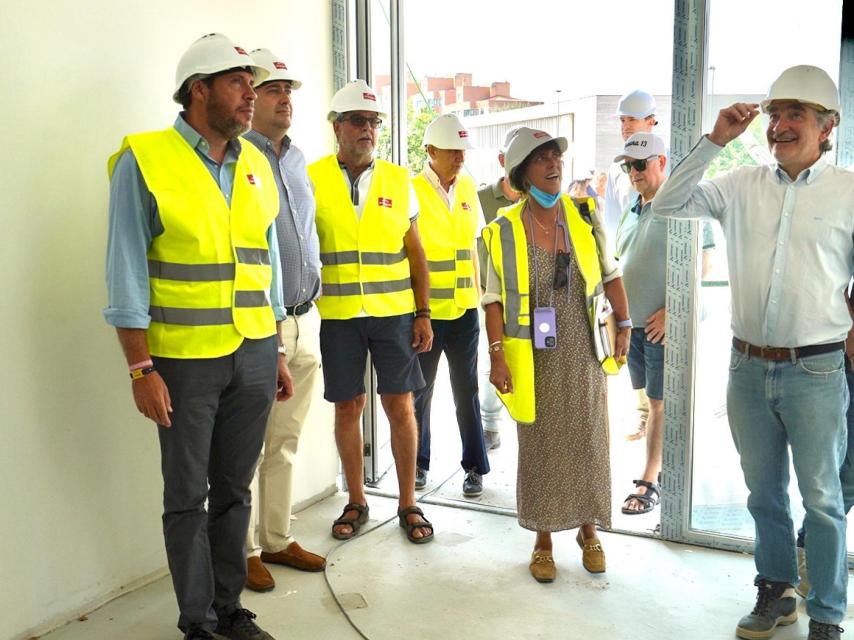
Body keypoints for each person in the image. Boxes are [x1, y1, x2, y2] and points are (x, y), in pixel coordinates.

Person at [652, 65, 853, 640]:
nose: (780, 126)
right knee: (763, 492)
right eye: (775, 115)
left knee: (822, 498)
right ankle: (776, 592)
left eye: (796, 115)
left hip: (817, 368)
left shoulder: (849, 192)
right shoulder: (739, 185)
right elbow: (668, 204)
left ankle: (828, 615)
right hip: (746, 366)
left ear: (827, 127)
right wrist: (716, 139)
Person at [104, 34, 290, 640]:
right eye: (239, 82)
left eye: (252, 83)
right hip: (182, 361)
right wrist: (140, 368)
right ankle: (198, 621)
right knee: (188, 494)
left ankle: (230, 608)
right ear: (199, 89)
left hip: (255, 352)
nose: (251, 94)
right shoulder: (146, 158)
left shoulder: (255, 161)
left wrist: (278, 348)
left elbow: (266, 264)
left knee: (235, 489)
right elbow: (125, 268)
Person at [481, 128, 630, 583]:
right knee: (541, 442)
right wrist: (497, 357)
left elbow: (610, 274)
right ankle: (543, 540)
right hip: (534, 355)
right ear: (522, 173)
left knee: (588, 436)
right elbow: (492, 300)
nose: (553, 165)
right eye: (541, 159)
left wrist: (623, 324)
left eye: (556, 157)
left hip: (583, 347)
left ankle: (589, 531)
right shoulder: (501, 230)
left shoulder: (584, 214)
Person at [307, 80, 435, 544]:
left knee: (399, 405)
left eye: (374, 122)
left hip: (393, 314)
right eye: (358, 121)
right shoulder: (311, 177)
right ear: (337, 127)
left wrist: (423, 312)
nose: (368, 129)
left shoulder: (400, 181)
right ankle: (356, 500)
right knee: (348, 405)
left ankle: (408, 504)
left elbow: (415, 253)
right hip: (338, 314)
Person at [241, 48, 325, 593]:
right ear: (250, 97)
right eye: (273, 89)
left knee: (287, 441)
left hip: (305, 318)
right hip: (259, 327)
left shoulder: (296, 161)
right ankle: (241, 549)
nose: (284, 98)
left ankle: (275, 537)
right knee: (245, 446)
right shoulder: (236, 160)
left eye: (289, 90)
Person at [614, 133, 715, 516]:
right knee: (648, 401)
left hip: (663, 324)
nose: (634, 173)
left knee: (660, 404)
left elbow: (704, 265)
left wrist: (676, 309)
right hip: (635, 325)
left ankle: (650, 480)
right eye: (628, 166)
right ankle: (655, 466)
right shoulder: (633, 209)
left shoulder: (682, 204)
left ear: (661, 162)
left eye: (640, 165)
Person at [412, 114, 490, 496]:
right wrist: (417, 313)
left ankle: (474, 467)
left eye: (462, 150)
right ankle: (417, 465)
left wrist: (482, 297)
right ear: (430, 151)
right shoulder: (411, 190)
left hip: (463, 312)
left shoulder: (469, 188)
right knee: (419, 393)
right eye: (452, 151)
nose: (460, 157)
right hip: (425, 315)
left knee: (467, 392)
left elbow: (474, 248)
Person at [604, 89, 660, 442]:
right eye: (622, 120)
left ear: (652, 122)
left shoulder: (666, 162)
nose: (625, 126)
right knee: (637, 376)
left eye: (632, 119)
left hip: (660, 314)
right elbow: (614, 228)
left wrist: (676, 308)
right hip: (631, 304)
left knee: (663, 398)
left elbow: (697, 258)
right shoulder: (616, 171)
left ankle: (655, 455)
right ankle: (643, 418)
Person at [475, 126, 522, 450]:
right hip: (488, 299)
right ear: (503, 159)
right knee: (492, 361)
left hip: (531, 304)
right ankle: (490, 425)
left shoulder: (543, 200)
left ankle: (530, 428)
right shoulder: (479, 199)